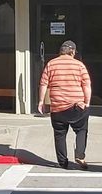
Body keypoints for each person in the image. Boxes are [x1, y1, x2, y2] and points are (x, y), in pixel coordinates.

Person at [38, 40, 91, 169]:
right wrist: (87, 102)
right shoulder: (79, 65)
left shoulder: (51, 64)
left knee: (59, 134)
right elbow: (86, 85)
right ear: (72, 51)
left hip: (58, 107)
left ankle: (63, 162)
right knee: (81, 129)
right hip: (76, 105)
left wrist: (41, 102)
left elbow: (43, 84)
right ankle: (80, 155)